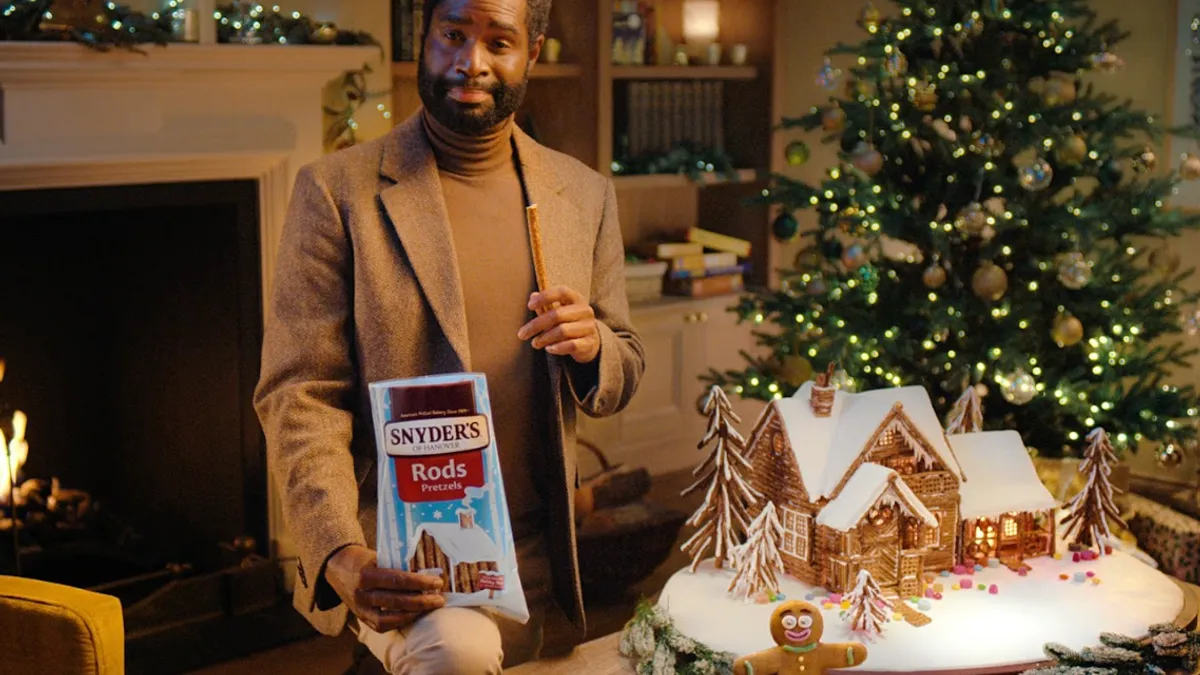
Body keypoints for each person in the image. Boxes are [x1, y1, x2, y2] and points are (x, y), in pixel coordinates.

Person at [251, 0, 645, 671]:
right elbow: (300, 393)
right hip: (403, 553)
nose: (472, 61)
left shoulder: (584, 195)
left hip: (535, 552)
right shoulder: (335, 192)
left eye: (499, 41)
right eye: (454, 35)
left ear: (534, 52)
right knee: (457, 654)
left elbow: (623, 366)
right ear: (424, 37)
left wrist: (595, 347)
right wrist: (340, 551)